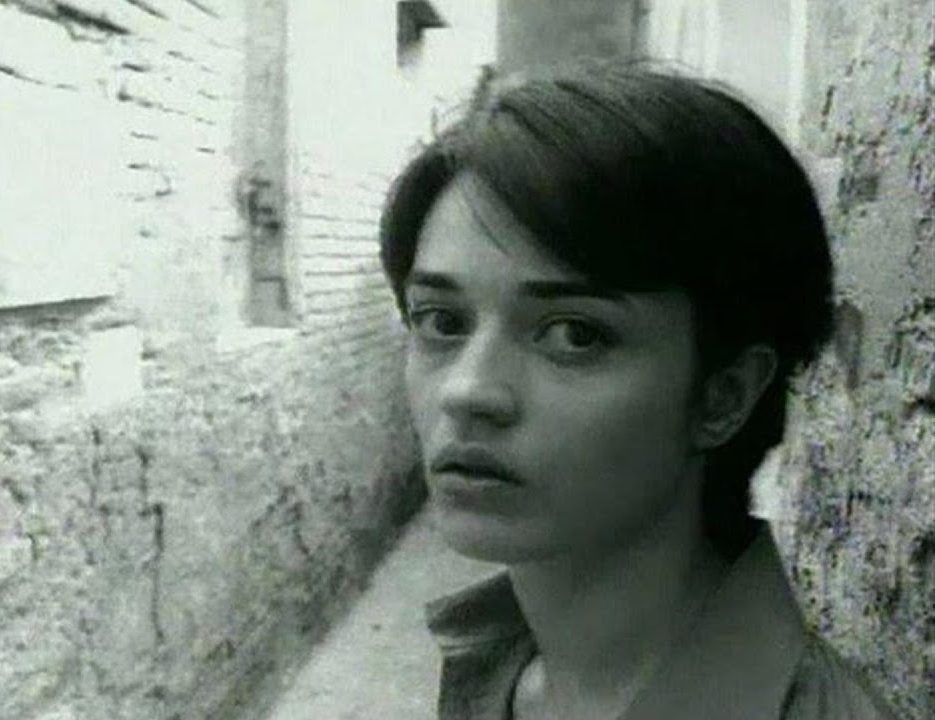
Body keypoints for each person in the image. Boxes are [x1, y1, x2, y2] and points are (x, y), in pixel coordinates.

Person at [378, 64, 906, 720]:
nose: (466, 391)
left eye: (575, 334)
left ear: (723, 396)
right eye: (441, 321)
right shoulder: (501, 672)